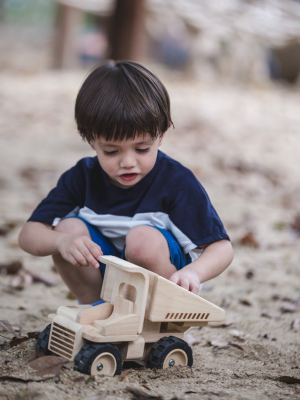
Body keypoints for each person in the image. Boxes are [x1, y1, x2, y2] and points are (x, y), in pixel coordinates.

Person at [18, 60, 233, 306]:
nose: (128, 162)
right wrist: (62, 242)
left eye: (142, 149)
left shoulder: (176, 182)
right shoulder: (82, 178)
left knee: (143, 241)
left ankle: (159, 321)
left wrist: (194, 273)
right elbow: (29, 236)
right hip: (107, 273)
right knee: (67, 229)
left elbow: (222, 249)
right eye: (111, 151)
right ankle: (96, 310)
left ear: (161, 134)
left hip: (165, 281)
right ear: (91, 141)